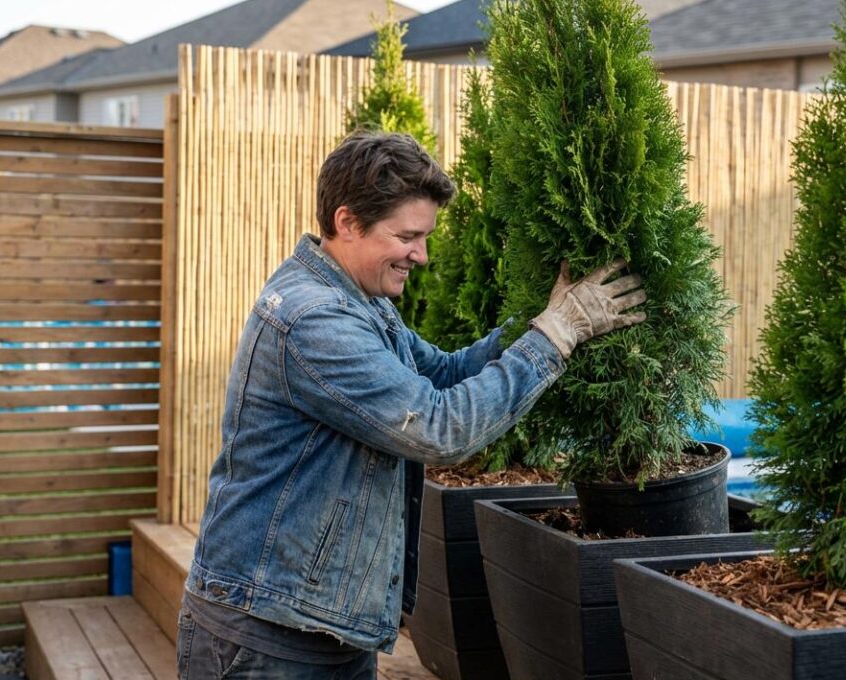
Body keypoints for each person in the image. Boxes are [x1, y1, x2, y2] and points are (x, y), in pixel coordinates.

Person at [176, 131, 647, 679]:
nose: (421, 255)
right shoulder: (315, 320)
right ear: (348, 222)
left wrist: (535, 320)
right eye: (407, 236)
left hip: (318, 621)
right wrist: (558, 333)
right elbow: (437, 426)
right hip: (268, 637)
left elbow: (442, 373)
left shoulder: (356, 300)